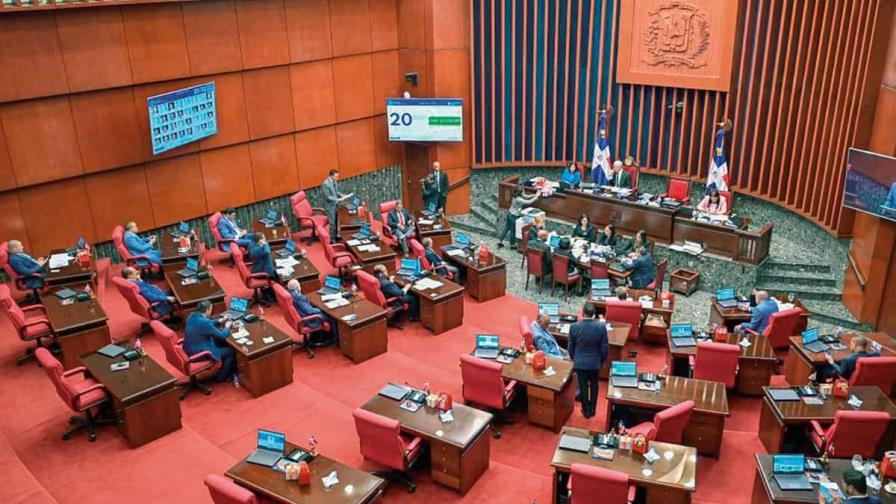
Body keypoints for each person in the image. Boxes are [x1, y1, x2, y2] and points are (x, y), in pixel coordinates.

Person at [568, 303, 608, 418]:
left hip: (580, 362)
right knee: (594, 385)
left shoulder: (574, 327)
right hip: (595, 363)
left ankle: (586, 410)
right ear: (594, 314)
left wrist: (574, 358)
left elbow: (570, 346)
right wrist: (602, 361)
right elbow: (604, 347)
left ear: (582, 313)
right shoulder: (601, 327)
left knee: (583, 386)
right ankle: (593, 409)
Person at [183, 300, 236, 383]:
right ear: (207, 310)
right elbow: (222, 336)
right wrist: (227, 327)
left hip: (190, 348)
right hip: (200, 353)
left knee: (217, 341)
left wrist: (219, 320)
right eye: (211, 309)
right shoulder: (205, 323)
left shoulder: (192, 315)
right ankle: (222, 376)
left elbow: (205, 323)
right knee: (231, 351)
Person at [815, 469, 880, 503]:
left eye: (844, 483)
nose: (842, 485)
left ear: (851, 488)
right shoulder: (877, 501)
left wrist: (822, 502)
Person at [322, 169, 352, 242]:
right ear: (331, 176)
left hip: (335, 204)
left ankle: (335, 236)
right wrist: (337, 199)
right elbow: (327, 196)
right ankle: (332, 239)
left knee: (336, 221)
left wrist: (341, 195)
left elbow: (336, 192)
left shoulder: (334, 181)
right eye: (336, 176)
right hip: (329, 206)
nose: (337, 178)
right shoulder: (325, 184)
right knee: (332, 223)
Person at [248, 233, 277, 304]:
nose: (265, 240)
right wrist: (265, 244)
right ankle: (271, 295)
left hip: (255, 268)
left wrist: (262, 244)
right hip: (262, 272)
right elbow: (267, 252)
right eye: (264, 238)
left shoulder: (251, 245)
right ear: (260, 240)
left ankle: (265, 291)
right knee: (278, 275)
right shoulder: (259, 250)